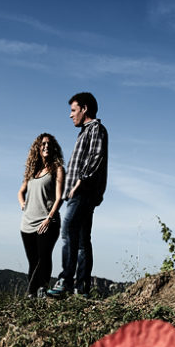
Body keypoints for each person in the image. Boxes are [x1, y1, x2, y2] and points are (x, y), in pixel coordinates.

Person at [47, 92, 108, 298]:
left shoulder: (96, 129)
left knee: (67, 232)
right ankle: (81, 290)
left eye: (73, 110)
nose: (70, 115)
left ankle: (65, 281)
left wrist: (78, 185)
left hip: (83, 192)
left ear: (84, 109)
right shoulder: (83, 132)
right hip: (77, 192)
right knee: (82, 241)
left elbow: (95, 159)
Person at [18, 133, 65, 297]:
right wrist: (23, 203)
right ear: (38, 148)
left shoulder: (57, 169)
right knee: (32, 262)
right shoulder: (33, 171)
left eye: (49, 144)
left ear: (53, 148)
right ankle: (31, 295)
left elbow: (60, 198)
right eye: (43, 144)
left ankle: (42, 290)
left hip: (47, 222)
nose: (46, 146)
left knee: (43, 259)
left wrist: (49, 218)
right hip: (27, 224)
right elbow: (20, 192)